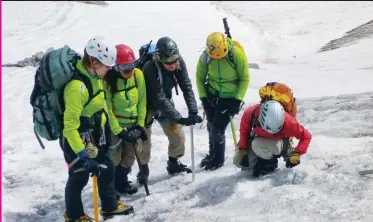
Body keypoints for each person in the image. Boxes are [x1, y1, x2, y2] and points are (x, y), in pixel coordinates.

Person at [60, 37, 134, 221]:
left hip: (95, 136)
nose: (110, 69)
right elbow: (69, 127)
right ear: (94, 62)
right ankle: (74, 216)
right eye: (106, 65)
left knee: (107, 167)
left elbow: (102, 106)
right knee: (79, 176)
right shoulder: (77, 88)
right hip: (76, 140)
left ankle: (109, 206)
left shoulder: (96, 77)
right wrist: (83, 156)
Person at [141, 36, 203, 181]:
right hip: (146, 106)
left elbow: (186, 87)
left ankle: (173, 162)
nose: (173, 64)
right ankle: (143, 168)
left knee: (178, 137)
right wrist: (179, 118)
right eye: (168, 62)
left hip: (165, 103)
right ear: (159, 58)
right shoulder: (150, 68)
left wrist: (193, 111)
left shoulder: (179, 62)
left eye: (175, 60)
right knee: (144, 141)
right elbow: (158, 98)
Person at [196, 32, 250, 171]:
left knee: (217, 129)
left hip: (230, 98)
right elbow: (199, 78)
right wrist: (204, 99)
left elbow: (244, 78)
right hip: (212, 95)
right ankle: (213, 155)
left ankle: (217, 161)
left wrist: (237, 100)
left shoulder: (236, 54)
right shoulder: (206, 56)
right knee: (210, 126)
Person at [103, 44, 147, 196]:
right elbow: (107, 109)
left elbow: (142, 101)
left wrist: (140, 127)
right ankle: (111, 187)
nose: (129, 70)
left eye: (131, 65)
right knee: (114, 159)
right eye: (125, 67)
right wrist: (118, 131)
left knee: (129, 158)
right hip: (117, 127)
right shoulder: (107, 81)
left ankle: (121, 182)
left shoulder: (137, 75)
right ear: (116, 66)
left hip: (133, 125)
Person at [233, 100, 312, 177]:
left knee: (258, 145)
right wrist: (243, 150)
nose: (272, 133)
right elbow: (244, 132)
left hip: (278, 142)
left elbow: (306, 136)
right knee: (238, 161)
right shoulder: (251, 113)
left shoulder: (289, 122)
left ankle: (270, 162)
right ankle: (257, 161)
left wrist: (297, 153)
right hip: (259, 139)